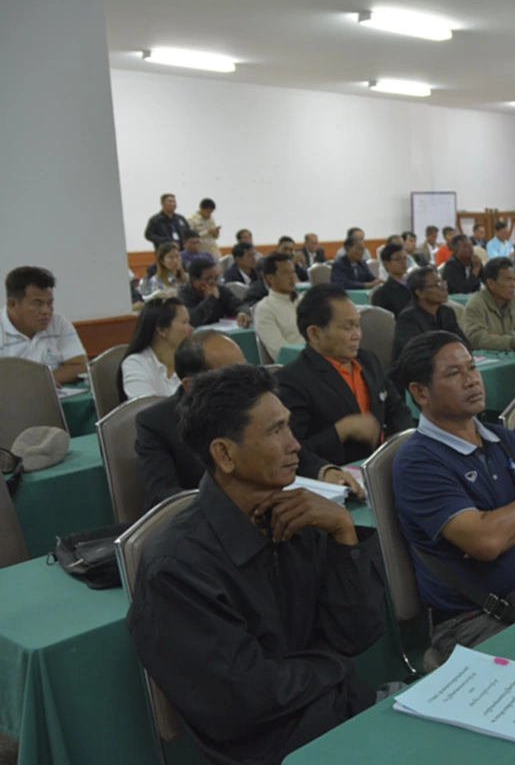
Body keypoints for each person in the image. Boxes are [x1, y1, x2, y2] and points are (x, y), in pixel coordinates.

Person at [127, 364, 385, 765]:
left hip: (340, 713)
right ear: (225, 455)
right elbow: (245, 700)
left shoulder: (299, 516)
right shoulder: (177, 568)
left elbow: (358, 634)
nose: (295, 444)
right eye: (275, 431)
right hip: (267, 748)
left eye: (290, 427)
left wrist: (343, 535)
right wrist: (333, 668)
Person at [391, 331, 515, 665]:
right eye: (453, 373)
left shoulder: (504, 439)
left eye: (472, 368)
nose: (472, 380)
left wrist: (503, 529)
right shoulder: (419, 461)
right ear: (420, 392)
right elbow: (486, 542)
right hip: (477, 617)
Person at [134, 330, 361, 509]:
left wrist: (324, 471)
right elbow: (162, 496)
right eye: (231, 378)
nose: (246, 384)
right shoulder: (155, 423)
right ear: (191, 386)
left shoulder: (257, 404)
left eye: (245, 368)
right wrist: (241, 501)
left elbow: (286, 448)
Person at [277, 285, 412, 466]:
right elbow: (292, 452)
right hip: (339, 476)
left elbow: (397, 408)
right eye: (348, 327)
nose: (357, 335)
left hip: (385, 464)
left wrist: (397, 442)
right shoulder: (292, 380)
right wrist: (341, 430)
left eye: (358, 325)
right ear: (314, 333)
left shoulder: (367, 360)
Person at [2, 266, 87, 385]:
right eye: (37, 303)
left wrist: (43, 381)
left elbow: (80, 366)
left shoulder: (58, 323)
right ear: (12, 304)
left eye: (50, 303)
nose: (46, 311)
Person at [120, 297, 192, 401]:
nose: (191, 329)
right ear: (162, 330)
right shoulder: (135, 364)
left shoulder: (192, 359)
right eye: (185, 323)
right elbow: (146, 410)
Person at [390, 267, 469, 361]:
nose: (443, 288)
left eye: (442, 283)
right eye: (437, 285)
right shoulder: (408, 319)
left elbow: (463, 343)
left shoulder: (446, 312)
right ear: (420, 293)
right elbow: (415, 356)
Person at [461, 257, 515, 351]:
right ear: (491, 283)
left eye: (514, 280)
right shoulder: (476, 305)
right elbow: (477, 339)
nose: (513, 285)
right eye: (508, 280)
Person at [253, 253, 304, 361]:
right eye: (286, 273)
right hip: (297, 365)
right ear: (270, 278)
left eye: (293, 272)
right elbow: (281, 352)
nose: (292, 277)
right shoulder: (265, 309)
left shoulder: (303, 301)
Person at [178, 259, 252, 328]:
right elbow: (191, 320)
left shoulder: (220, 289)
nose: (214, 282)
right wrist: (210, 299)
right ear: (195, 280)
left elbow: (240, 305)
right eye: (209, 279)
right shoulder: (183, 294)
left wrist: (242, 313)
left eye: (216, 278)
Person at [370, 243, 413, 317]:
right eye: (398, 259)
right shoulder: (382, 294)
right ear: (386, 264)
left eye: (405, 258)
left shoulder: (414, 285)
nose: (403, 262)